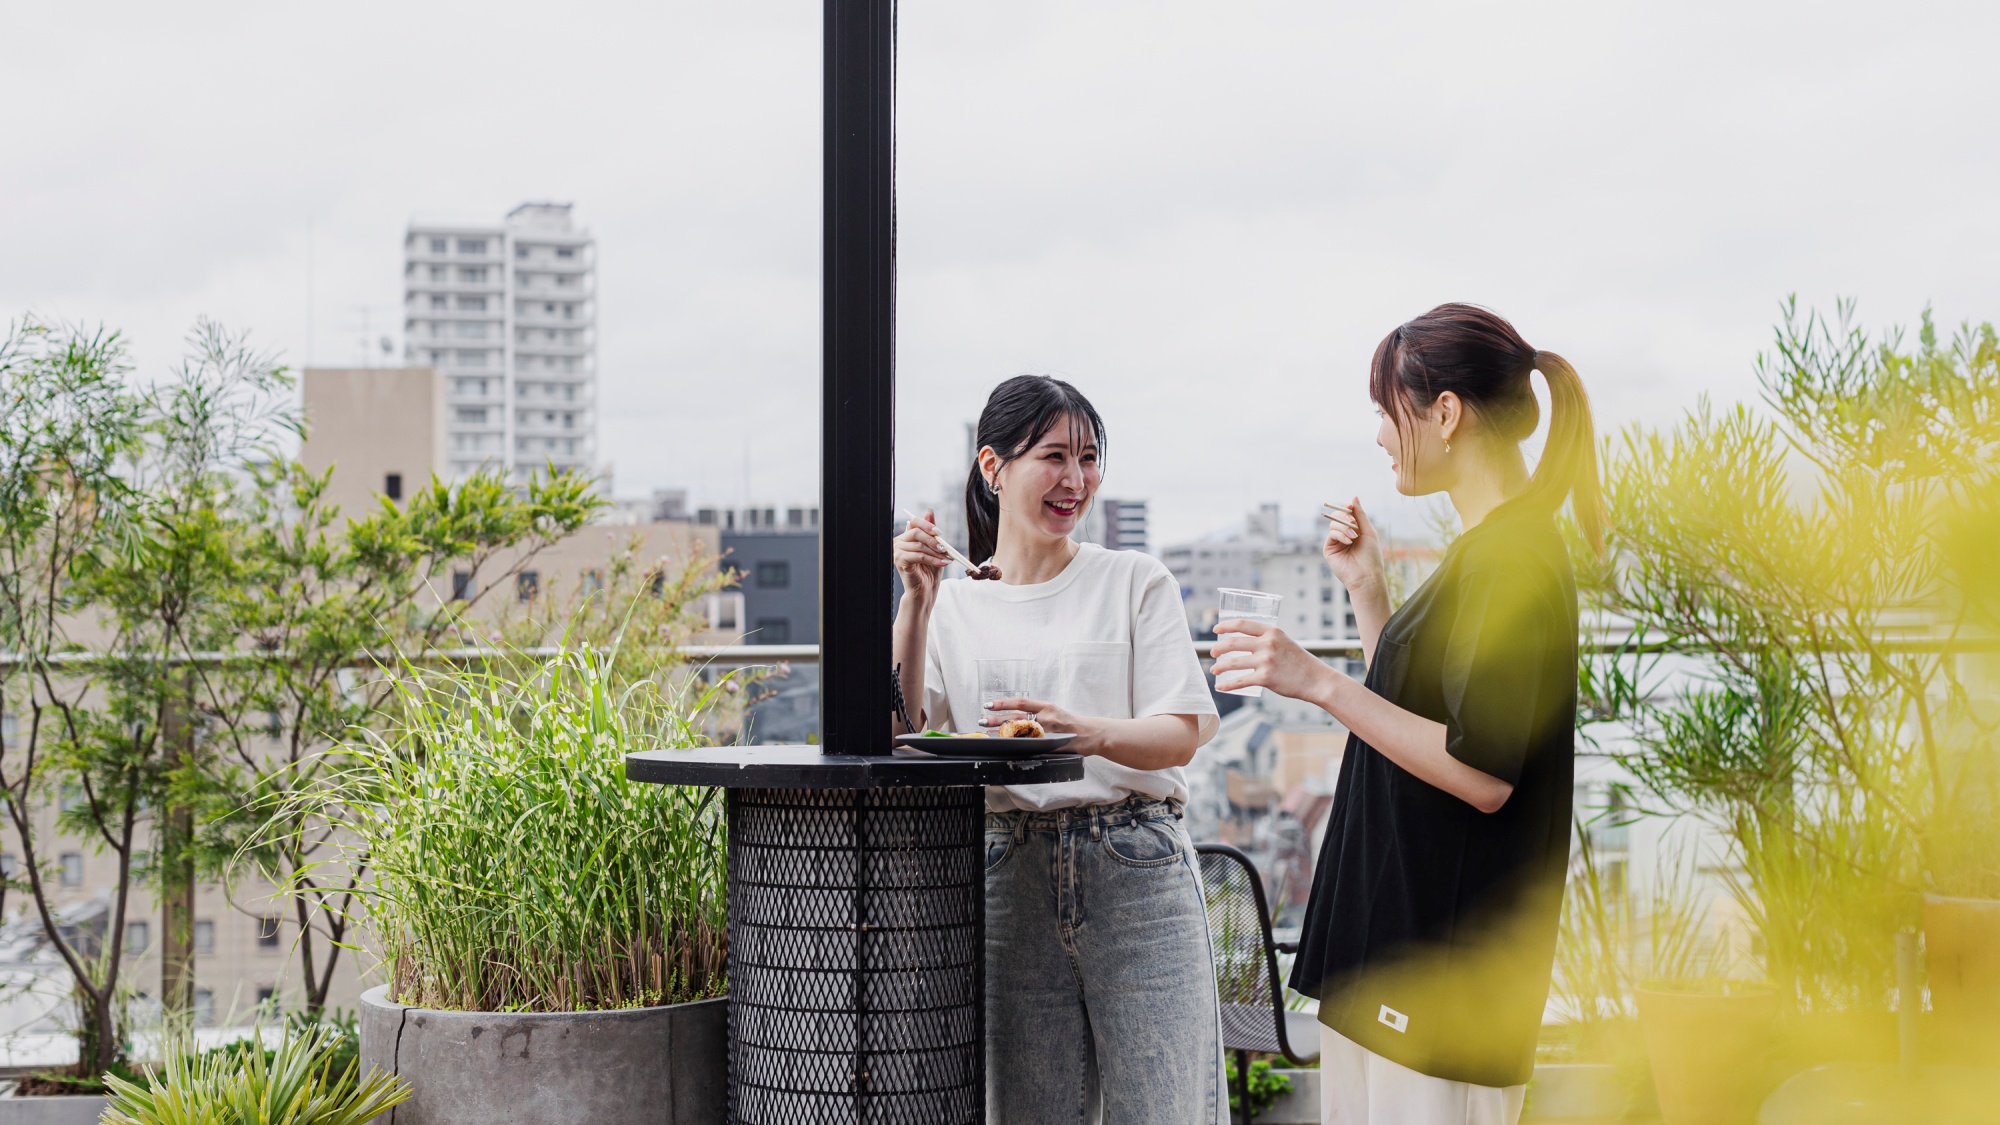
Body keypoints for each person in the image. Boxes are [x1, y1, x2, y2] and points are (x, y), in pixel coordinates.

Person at [1211, 304, 1595, 1125]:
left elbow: (1482, 770)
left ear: (1445, 413)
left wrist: (1316, 680)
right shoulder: (1490, 549)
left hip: (1441, 978)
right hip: (1401, 958)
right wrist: (1367, 592)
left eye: (1388, 412)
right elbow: (1422, 718)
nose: (1382, 436)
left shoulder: (1512, 559)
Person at [891, 374, 1226, 1125]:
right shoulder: (953, 604)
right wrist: (915, 601)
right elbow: (906, 737)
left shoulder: (1135, 579)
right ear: (992, 467)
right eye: (1053, 456)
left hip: (1136, 868)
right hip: (1008, 869)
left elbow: (1180, 733)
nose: (1076, 479)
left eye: (1088, 457)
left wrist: (1084, 733)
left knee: (1166, 1112)